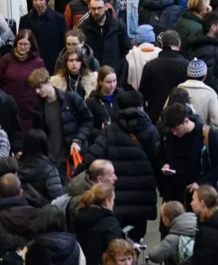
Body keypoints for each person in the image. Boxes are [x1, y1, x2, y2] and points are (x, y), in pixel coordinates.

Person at [80, 89, 159, 239]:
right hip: (142, 199)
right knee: (135, 242)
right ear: (141, 107)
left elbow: (90, 157)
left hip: (115, 199)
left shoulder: (109, 131)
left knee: (116, 240)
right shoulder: (150, 131)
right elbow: (159, 161)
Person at [0, 29, 46, 135]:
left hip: (29, 108)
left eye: (26, 44)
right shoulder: (7, 59)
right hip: (9, 106)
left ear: (31, 45)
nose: (22, 47)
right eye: (20, 44)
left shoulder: (38, 62)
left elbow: (42, 84)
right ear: (15, 44)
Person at [140, 30, 190, 123]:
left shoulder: (150, 66)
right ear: (179, 44)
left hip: (155, 117)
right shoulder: (187, 66)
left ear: (162, 45)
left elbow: (142, 93)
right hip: (180, 119)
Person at [72, 183, 126, 265]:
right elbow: (116, 250)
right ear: (107, 201)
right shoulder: (109, 222)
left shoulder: (79, 216)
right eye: (113, 200)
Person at [173, 58, 218, 134]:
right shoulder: (210, 93)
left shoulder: (177, 89)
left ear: (187, 74)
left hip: (179, 136)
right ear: (205, 76)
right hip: (201, 138)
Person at [20, 0, 66, 72]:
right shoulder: (25, 20)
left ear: (47, 0)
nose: (38, 3)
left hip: (52, 62)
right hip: (31, 61)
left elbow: (63, 42)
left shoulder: (59, 18)